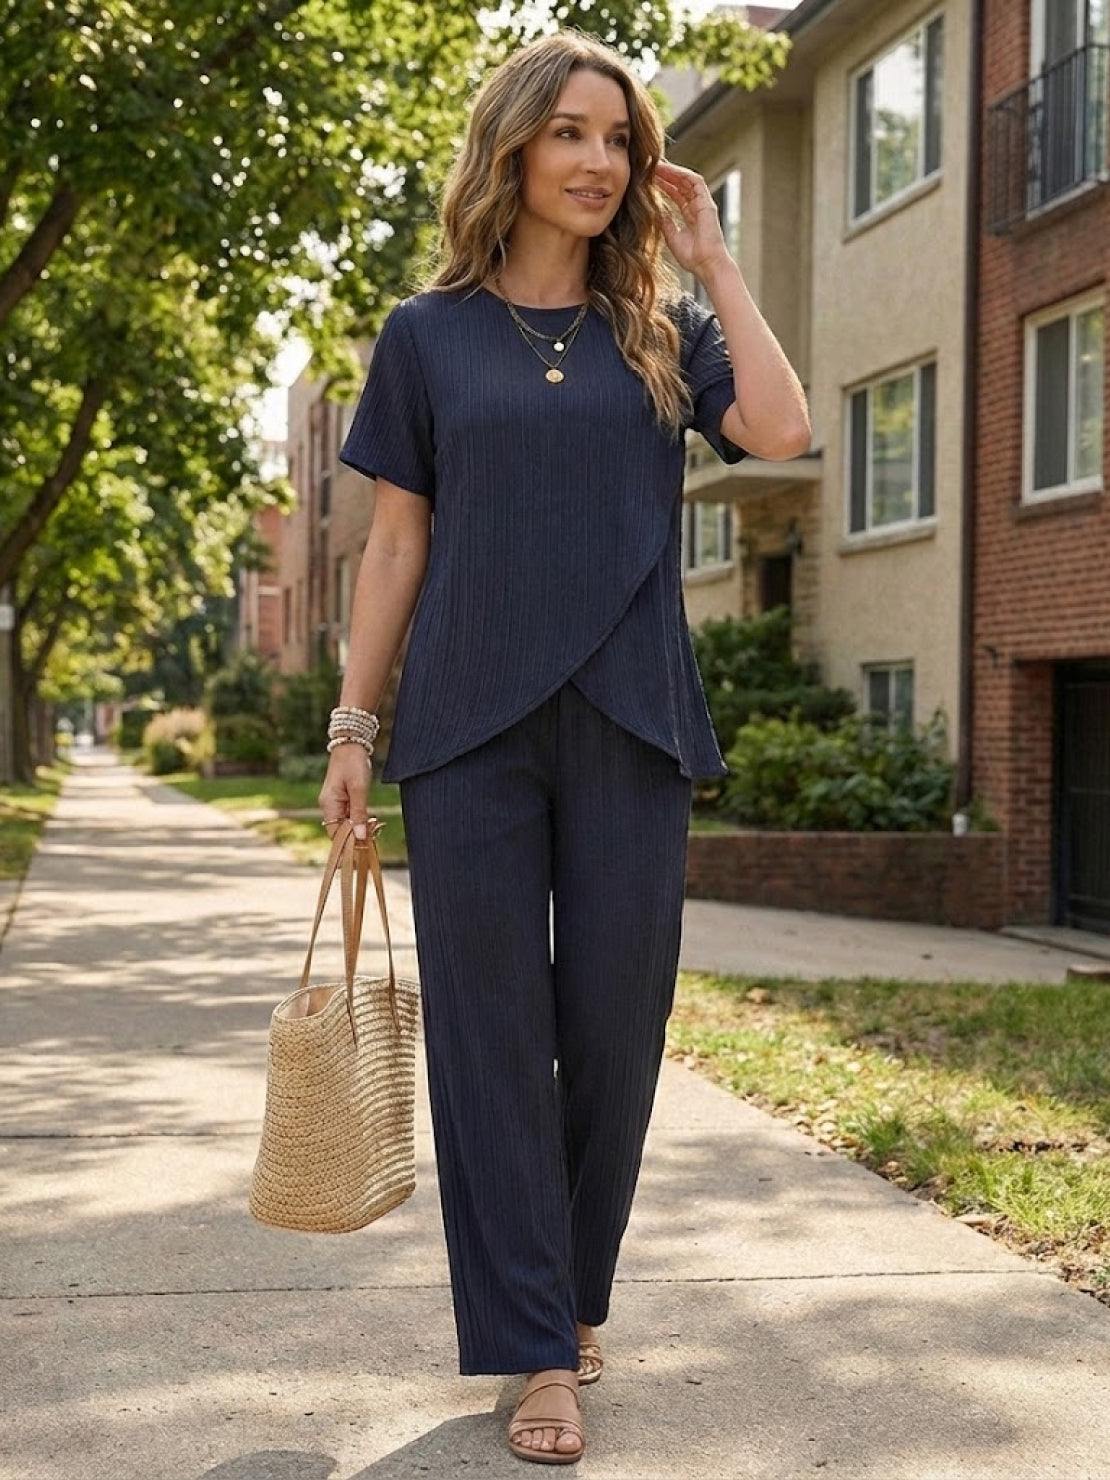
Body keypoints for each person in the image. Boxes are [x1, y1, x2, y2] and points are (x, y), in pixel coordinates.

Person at [318, 26, 809, 1467]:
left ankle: (572, 1296)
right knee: (489, 1041)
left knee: (609, 1027)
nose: (599, 162)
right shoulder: (424, 336)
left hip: (630, 717)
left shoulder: (661, 334)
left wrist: (712, 258)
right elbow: (393, 540)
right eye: (572, 135)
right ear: (515, 149)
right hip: (467, 724)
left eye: (620, 141)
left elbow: (777, 430)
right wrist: (355, 724)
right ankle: (538, 1349)